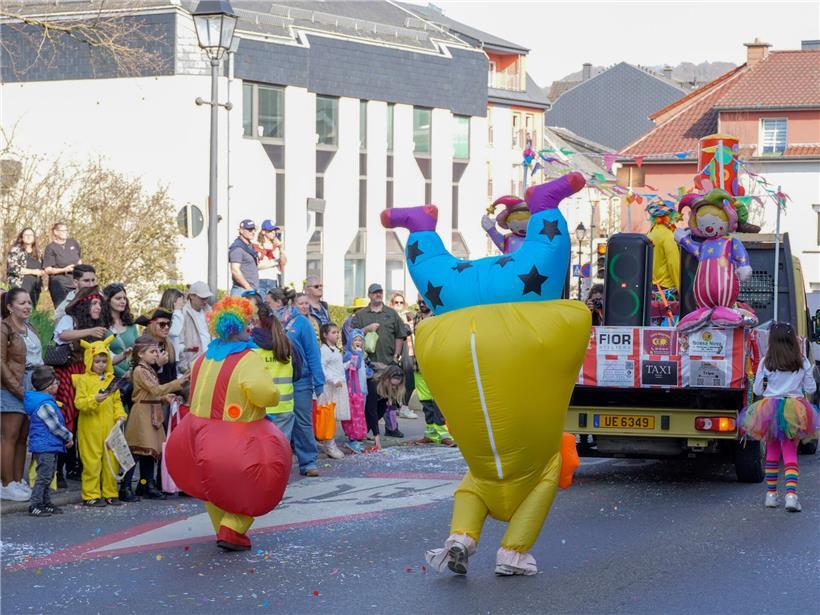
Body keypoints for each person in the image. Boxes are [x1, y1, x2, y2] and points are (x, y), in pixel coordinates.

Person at [165, 297, 290, 552]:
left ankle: (222, 529)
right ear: (236, 326)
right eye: (248, 322)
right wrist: (274, 396)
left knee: (211, 486)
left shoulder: (204, 357)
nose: (252, 326)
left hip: (196, 434)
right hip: (235, 437)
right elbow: (264, 393)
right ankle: (232, 528)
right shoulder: (248, 358)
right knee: (260, 484)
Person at [739, 322, 819, 512]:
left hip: (770, 408)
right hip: (794, 409)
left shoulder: (766, 361)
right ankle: (791, 496)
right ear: (793, 339)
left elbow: (758, 390)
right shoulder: (801, 360)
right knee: (790, 452)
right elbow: (811, 389)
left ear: (772, 341)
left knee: (772, 451)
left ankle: (771, 495)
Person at [53, 285, 109, 484]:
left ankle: (74, 466)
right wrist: (90, 331)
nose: (98, 307)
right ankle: (58, 471)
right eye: (94, 303)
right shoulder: (71, 319)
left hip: (85, 373)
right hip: (68, 373)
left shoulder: (96, 325)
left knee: (80, 421)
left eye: (99, 304)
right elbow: (61, 335)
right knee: (66, 419)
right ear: (84, 305)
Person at [122, 334, 188, 501]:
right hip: (142, 414)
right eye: (152, 352)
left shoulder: (148, 370)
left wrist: (164, 398)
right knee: (137, 451)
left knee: (149, 452)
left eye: (156, 351)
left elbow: (151, 393)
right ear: (140, 354)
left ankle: (146, 484)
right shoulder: (140, 370)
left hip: (151, 411)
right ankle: (125, 487)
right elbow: (155, 389)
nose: (156, 355)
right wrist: (178, 382)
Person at [273, 291, 325, 477]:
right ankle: (277, 463)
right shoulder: (272, 322)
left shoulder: (302, 323)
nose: (269, 305)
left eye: (271, 301)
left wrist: (319, 383)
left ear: (283, 302)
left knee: (302, 422)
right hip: (277, 380)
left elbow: (313, 352)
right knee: (277, 423)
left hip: (300, 380)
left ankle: (308, 461)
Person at [72, 337, 127, 507]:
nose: (101, 365)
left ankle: (110, 492)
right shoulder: (83, 380)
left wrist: (120, 416)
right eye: (97, 361)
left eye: (104, 361)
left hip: (110, 427)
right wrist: (94, 399)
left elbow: (117, 401)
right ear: (90, 360)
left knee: (112, 460)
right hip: (90, 428)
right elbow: (79, 403)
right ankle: (91, 494)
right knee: (91, 462)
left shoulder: (111, 380)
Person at [350, 283, 408, 438]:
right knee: (371, 400)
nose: (378, 295)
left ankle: (391, 427)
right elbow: (352, 336)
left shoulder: (391, 313)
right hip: (367, 364)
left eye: (380, 292)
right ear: (369, 295)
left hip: (388, 362)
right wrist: (366, 329)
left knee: (389, 398)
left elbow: (400, 335)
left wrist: (396, 356)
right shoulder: (361, 315)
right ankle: (366, 429)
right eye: (375, 292)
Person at [1, 288, 39, 501]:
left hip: (32, 383)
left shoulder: (29, 327)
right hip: (11, 385)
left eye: (29, 303)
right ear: (9, 306)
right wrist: (17, 388)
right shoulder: (4, 327)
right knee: (10, 435)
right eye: (22, 303)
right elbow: (1, 362)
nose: (27, 307)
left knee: (23, 436)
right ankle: (5, 484)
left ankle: (17, 480)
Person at [23, 366, 73, 517]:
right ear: (48, 386)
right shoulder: (44, 404)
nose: (58, 385)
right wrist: (68, 436)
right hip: (45, 446)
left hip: (49, 444)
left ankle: (45, 502)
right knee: (44, 476)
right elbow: (55, 426)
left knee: (49, 476)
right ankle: (35, 504)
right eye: (56, 382)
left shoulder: (46, 402)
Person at [412, 298, 454, 446]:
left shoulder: (438, 316)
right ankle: (430, 433)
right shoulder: (417, 316)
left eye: (424, 301)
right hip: (419, 365)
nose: (422, 304)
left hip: (435, 364)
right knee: (425, 401)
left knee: (438, 401)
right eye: (419, 302)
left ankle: (444, 434)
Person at [252, 303, 295, 437]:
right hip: (284, 405)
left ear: (256, 321)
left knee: (262, 447)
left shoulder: (252, 346)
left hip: (261, 406)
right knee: (281, 446)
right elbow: (298, 371)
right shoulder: (286, 342)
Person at [318, 323, 348, 460]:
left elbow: (337, 367)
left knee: (333, 417)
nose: (337, 335)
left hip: (338, 385)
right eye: (333, 332)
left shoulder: (335, 349)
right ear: (325, 335)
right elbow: (322, 368)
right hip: (331, 387)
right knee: (329, 416)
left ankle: (329, 442)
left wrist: (348, 365)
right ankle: (330, 444)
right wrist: (333, 380)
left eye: (337, 332)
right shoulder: (324, 350)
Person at [341, 328, 370, 453]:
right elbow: (355, 366)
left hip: (361, 390)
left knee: (360, 414)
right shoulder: (349, 354)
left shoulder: (361, 355)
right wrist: (358, 354)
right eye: (355, 340)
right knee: (354, 415)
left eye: (360, 340)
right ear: (350, 342)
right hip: (353, 391)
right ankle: (352, 439)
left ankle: (357, 438)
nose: (358, 342)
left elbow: (363, 369)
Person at [390, 292, 417, 419]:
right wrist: (406, 325)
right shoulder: (391, 316)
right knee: (395, 381)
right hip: (397, 352)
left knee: (410, 382)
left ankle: (403, 407)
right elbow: (404, 330)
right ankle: (398, 408)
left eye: (401, 302)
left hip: (409, 352)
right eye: (396, 302)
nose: (399, 304)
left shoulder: (409, 315)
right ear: (392, 303)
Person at [42, 222, 82, 307]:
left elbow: (79, 260)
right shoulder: (50, 248)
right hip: (59, 284)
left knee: (78, 308)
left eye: (66, 230)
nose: (65, 233)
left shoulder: (73, 243)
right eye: (63, 231)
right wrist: (65, 269)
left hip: (75, 282)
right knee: (63, 309)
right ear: (55, 232)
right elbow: (47, 269)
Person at [103, 283, 138, 378]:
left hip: (134, 374)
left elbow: (137, 350)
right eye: (118, 298)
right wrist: (123, 374)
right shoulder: (102, 326)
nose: (123, 301)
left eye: (124, 298)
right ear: (108, 301)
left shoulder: (131, 324)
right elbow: (102, 357)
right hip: (112, 377)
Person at [178, 282, 213, 374]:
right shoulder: (183, 313)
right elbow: (179, 344)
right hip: (192, 367)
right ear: (192, 296)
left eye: (207, 298)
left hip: (211, 363)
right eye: (202, 298)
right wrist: (185, 368)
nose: (205, 301)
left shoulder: (210, 311)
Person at [368, 365, 406, 449]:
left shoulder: (386, 386)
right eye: (392, 384)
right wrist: (376, 435)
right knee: (375, 411)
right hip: (358, 408)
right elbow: (371, 411)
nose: (394, 387)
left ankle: (363, 432)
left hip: (370, 409)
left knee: (383, 407)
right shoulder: (374, 384)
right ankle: (357, 433)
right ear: (385, 379)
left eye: (396, 385)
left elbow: (380, 411)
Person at [7, 227, 45, 309]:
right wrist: (33, 271)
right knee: (20, 310)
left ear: (34, 237)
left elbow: (43, 268)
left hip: (35, 287)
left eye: (31, 235)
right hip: (20, 285)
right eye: (26, 235)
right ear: (22, 237)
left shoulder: (39, 252)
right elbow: (13, 268)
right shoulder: (15, 250)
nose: (28, 237)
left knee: (32, 310)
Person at [229, 219, 260, 296]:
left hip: (250, 290)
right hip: (242, 291)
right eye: (250, 230)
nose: (253, 232)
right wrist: (248, 288)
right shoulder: (237, 248)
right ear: (241, 231)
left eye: (254, 229)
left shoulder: (250, 247)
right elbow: (235, 271)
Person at [256, 220, 286, 294]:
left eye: (274, 230)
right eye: (270, 230)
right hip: (260, 280)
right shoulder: (257, 245)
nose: (273, 232)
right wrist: (274, 263)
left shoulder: (277, 246)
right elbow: (256, 265)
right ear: (263, 231)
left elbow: (283, 263)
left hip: (274, 280)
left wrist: (281, 248)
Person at [159, 288, 186, 360]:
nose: (183, 302)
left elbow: (173, 341)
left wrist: (184, 348)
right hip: (166, 359)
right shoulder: (164, 317)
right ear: (174, 301)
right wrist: (177, 310)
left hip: (171, 358)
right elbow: (174, 332)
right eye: (181, 299)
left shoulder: (174, 315)